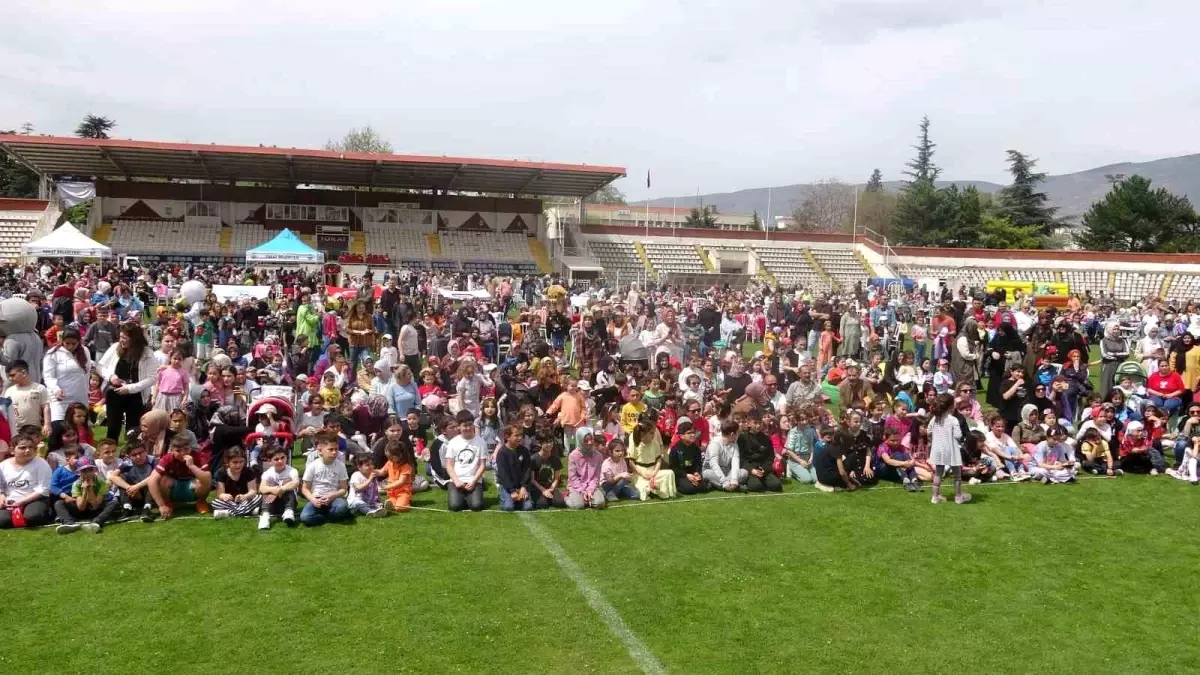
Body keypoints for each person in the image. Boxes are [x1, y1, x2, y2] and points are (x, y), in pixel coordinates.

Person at [97, 323, 158, 441]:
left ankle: (131, 454)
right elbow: (100, 367)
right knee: (113, 427)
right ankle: (110, 452)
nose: (121, 340)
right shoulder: (115, 348)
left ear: (134, 339)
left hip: (136, 395)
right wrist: (111, 377)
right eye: (120, 337)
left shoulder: (147, 353)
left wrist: (130, 388)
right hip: (114, 393)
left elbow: (152, 377)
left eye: (124, 338)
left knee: (133, 429)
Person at [147, 435, 213, 519]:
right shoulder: (167, 458)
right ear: (172, 451)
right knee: (162, 479)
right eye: (178, 451)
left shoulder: (199, 456)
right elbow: (151, 480)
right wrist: (161, 505)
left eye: (186, 449)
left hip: (192, 487)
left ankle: (201, 502)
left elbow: (208, 478)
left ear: (190, 448)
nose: (183, 453)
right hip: (174, 487)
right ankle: (167, 504)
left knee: (205, 479)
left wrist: (192, 466)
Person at [0, 433, 53, 528]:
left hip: (34, 499)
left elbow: (43, 489)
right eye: (22, 448)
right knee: (3, 521)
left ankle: (48, 511)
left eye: (31, 447)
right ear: (12, 450)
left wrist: (21, 501)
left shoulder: (41, 464)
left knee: (33, 517)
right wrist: (2, 497)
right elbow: (1, 488)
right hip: (10, 501)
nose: (28, 450)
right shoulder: (3, 466)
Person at [300, 432, 352, 526]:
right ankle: (328, 517)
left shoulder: (340, 466)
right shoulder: (312, 466)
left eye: (336, 449)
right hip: (317, 498)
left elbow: (344, 488)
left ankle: (324, 516)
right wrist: (313, 499)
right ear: (320, 450)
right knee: (305, 517)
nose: (334, 452)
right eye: (330, 449)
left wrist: (332, 496)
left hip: (333, 498)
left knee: (342, 507)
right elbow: (305, 488)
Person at [42, 328, 92, 423]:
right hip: (60, 397)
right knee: (59, 426)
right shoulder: (53, 353)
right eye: (67, 343)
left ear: (79, 342)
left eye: (74, 344)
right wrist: (56, 389)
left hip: (80, 396)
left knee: (80, 428)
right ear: (62, 341)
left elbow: (87, 373)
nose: (70, 346)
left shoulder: (85, 351)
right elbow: (48, 376)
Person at [928, 393, 969, 504]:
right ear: (951, 406)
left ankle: (935, 496)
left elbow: (929, 432)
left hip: (938, 449)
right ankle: (958, 496)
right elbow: (958, 435)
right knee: (957, 475)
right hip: (952, 449)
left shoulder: (934, 419)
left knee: (938, 473)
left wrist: (934, 440)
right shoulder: (953, 420)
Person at [627, 411, 675, 500]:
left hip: (653, 470)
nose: (654, 435)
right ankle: (647, 487)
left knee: (669, 473)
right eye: (652, 433)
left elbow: (658, 459)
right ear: (643, 434)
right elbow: (631, 462)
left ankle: (657, 489)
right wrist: (643, 474)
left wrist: (654, 473)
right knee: (644, 491)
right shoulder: (634, 439)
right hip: (640, 472)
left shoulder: (654, 441)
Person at [445, 409, 487, 512]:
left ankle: (470, 496)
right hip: (457, 480)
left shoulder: (480, 442)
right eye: (464, 425)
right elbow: (449, 465)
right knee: (455, 507)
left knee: (477, 506)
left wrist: (474, 481)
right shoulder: (453, 442)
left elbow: (482, 465)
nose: (468, 428)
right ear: (459, 426)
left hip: (474, 480)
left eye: (470, 424)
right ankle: (462, 496)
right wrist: (456, 480)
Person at [109, 443, 157, 522]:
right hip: (135, 494)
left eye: (140, 453)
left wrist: (136, 486)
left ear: (146, 451)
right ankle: (127, 508)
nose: (138, 457)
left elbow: (153, 477)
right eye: (134, 455)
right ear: (129, 456)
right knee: (121, 477)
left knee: (152, 480)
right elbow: (112, 476)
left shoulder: (153, 460)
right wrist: (129, 487)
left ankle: (147, 509)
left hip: (151, 493)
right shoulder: (127, 463)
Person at [257, 447, 300, 530]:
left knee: (289, 489)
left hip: (289, 501)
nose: (280, 461)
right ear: (270, 461)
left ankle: (288, 512)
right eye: (276, 459)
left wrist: (281, 489)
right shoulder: (268, 473)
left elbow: (295, 483)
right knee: (266, 492)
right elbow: (261, 488)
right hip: (272, 503)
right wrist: (273, 490)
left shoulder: (292, 470)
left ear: (286, 457)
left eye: (283, 458)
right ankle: (265, 516)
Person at [495, 424, 533, 512]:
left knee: (528, 507)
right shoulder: (502, 453)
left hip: (521, 486)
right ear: (507, 437)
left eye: (521, 435)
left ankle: (518, 499)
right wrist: (512, 491)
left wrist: (524, 487)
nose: (520, 438)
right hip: (507, 487)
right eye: (516, 435)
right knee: (508, 508)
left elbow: (527, 470)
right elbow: (503, 474)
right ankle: (503, 496)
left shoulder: (524, 451)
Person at [704, 420, 745, 491]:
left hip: (727, 471)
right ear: (732, 434)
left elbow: (735, 462)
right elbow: (714, 464)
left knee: (744, 472)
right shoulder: (715, 443)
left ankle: (724, 486)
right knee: (706, 473)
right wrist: (724, 481)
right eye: (737, 433)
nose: (738, 434)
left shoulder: (734, 443)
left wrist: (734, 480)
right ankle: (731, 486)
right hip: (712, 470)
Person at [668, 420, 707, 495]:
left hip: (692, 475)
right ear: (682, 436)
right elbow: (673, 468)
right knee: (689, 488)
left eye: (693, 432)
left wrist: (696, 473)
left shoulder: (696, 448)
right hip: (680, 476)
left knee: (704, 487)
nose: (692, 435)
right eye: (689, 433)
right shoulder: (675, 449)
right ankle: (676, 486)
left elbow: (698, 464)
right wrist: (686, 475)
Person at [783, 407, 817, 484]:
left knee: (815, 479)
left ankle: (804, 470)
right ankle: (792, 470)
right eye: (802, 420)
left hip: (807, 458)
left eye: (806, 419)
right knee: (807, 480)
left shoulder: (810, 430)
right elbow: (788, 450)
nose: (804, 422)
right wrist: (800, 461)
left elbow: (811, 445)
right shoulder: (793, 432)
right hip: (796, 460)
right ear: (797, 421)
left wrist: (811, 458)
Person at [380, 439, 414, 513]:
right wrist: (372, 471)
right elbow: (381, 472)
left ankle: (406, 503)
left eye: (391, 458)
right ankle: (392, 504)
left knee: (399, 508)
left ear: (400, 455)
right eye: (388, 457)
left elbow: (401, 481)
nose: (389, 459)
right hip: (392, 493)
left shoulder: (406, 467)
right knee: (391, 503)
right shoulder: (389, 463)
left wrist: (387, 487)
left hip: (403, 492)